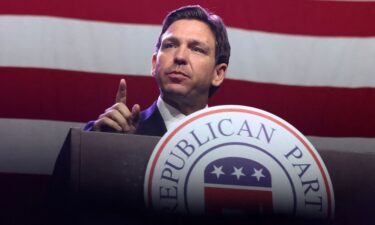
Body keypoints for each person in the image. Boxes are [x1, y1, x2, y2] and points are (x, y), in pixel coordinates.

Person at [84, 5, 231, 137]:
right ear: (154, 64)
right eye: (170, 45)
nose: (179, 57)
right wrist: (104, 142)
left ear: (218, 73)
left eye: (196, 49)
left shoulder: (236, 146)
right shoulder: (103, 133)